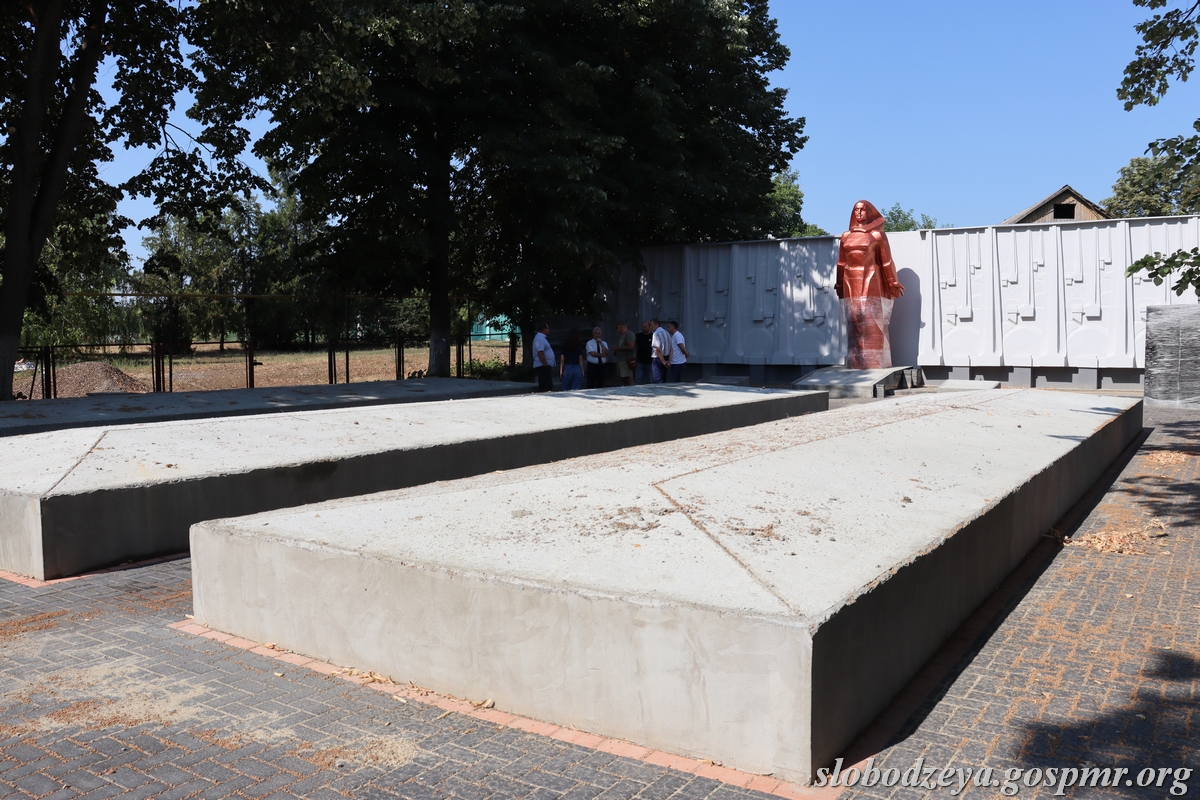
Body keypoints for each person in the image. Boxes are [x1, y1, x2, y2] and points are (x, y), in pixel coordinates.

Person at [836, 200, 904, 369]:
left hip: (871, 277)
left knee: (872, 318)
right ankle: (856, 362)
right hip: (850, 280)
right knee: (854, 319)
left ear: (869, 212)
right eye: (856, 210)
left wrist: (892, 282)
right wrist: (839, 284)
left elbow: (886, 261)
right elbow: (841, 263)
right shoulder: (846, 236)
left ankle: (875, 362)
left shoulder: (877, 235)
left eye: (863, 210)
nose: (859, 213)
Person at [532, 322, 556, 392]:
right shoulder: (540, 339)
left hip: (542, 365)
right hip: (542, 365)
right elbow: (540, 352)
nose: (548, 330)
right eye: (547, 328)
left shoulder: (540, 338)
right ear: (544, 329)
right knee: (547, 385)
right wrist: (545, 364)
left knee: (543, 384)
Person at [612, 321, 637, 386]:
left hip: (626, 360)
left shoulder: (629, 334)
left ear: (621, 326)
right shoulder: (623, 335)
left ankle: (632, 389)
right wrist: (616, 352)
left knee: (628, 377)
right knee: (624, 378)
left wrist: (618, 348)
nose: (617, 330)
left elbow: (631, 346)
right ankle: (626, 389)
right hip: (621, 360)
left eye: (617, 328)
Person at [649, 318, 672, 384]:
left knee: (657, 379)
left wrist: (663, 361)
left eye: (651, 325)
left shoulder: (655, 334)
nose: (650, 327)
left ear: (656, 325)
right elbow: (671, 348)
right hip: (666, 356)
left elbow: (658, 349)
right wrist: (669, 361)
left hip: (658, 358)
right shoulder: (667, 333)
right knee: (664, 378)